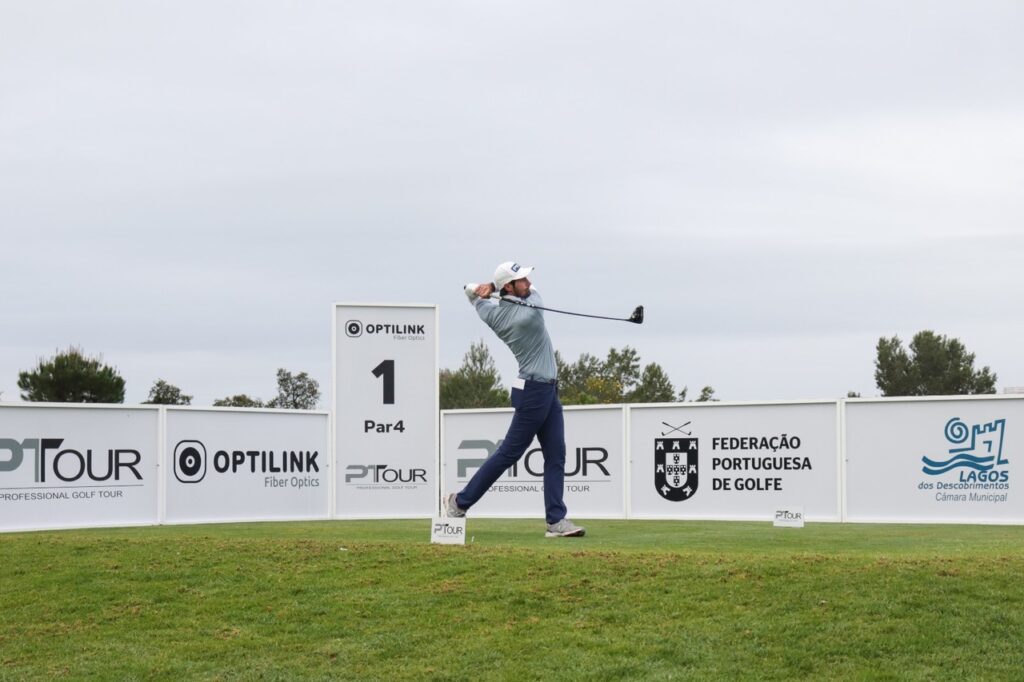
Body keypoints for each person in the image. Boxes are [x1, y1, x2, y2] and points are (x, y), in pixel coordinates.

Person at [444, 261, 585, 538]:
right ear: (509, 286)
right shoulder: (528, 315)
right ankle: (459, 502)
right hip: (534, 392)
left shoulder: (491, 313)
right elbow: (535, 294)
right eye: (522, 280)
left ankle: (556, 521)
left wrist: (483, 287)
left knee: (556, 455)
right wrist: (492, 287)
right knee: (509, 453)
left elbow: (469, 293)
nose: (529, 283)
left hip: (546, 391)